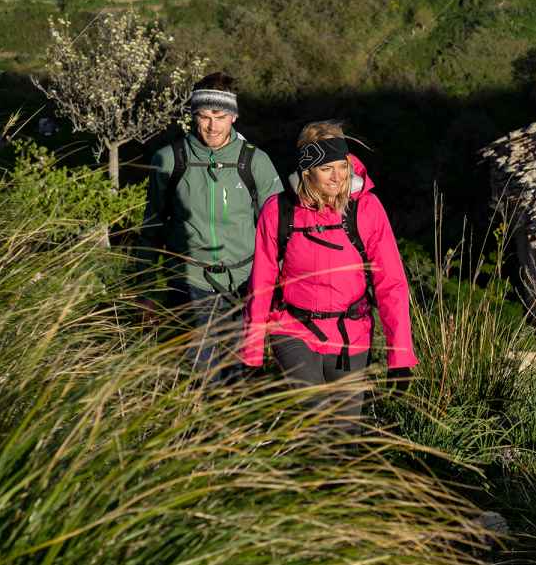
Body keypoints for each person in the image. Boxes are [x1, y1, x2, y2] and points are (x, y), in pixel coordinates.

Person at [241, 122, 415, 421]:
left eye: (342, 167)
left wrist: (400, 357)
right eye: (326, 169)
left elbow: (392, 284)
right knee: (316, 421)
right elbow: (261, 284)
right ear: (306, 172)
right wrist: (252, 353)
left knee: (344, 434)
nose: (338, 177)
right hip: (293, 329)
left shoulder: (367, 209)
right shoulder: (278, 210)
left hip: (351, 336)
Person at [140, 72, 283, 384]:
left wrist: (280, 290)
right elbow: (151, 229)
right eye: (203, 116)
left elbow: (278, 233)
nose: (212, 126)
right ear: (193, 116)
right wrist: (146, 290)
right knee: (199, 375)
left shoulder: (256, 163)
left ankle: (234, 431)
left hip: (245, 285)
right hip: (190, 283)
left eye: (219, 116)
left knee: (240, 374)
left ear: (234, 115)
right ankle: (199, 430)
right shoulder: (168, 160)